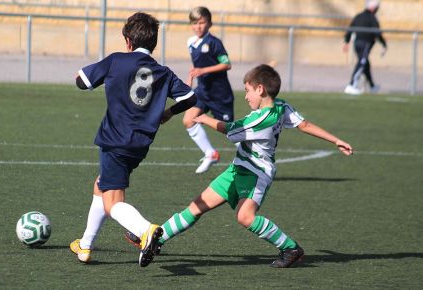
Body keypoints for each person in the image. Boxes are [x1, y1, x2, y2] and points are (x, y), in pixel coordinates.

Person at [125, 64, 354, 267]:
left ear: (260, 89)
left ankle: (291, 248)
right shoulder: (281, 106)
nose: (245, 97)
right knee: (197, 205)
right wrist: (336, 140)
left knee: (245, 217)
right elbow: (304, 125)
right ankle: (156, 240)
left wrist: (204, 119)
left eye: (247, 91)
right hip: (238, 169)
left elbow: (230, 129)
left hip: (256, 174)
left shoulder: (261, 119)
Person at [69, 12, 196, 267]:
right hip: (139, 145)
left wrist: (88, 74)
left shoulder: (117, 60)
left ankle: (146, 231)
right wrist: (168, 113)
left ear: (127, 40)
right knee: (101, 185)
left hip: (114, 140)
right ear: (154, 43)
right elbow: (191, 97)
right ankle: (85, 245)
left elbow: (81, 81)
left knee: (112, 202)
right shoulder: (164, 72)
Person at [183, 6, 235, 173]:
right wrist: (191, 76)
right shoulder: (191, 42)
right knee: (188, 120)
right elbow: (197, 65)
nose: (198, 26)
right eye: (194, 23)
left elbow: (227, 64)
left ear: (209, 23)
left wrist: (203, 70)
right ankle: (210, 153)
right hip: (202, 91)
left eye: (202, 22)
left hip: (220, 94)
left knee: (230, 132)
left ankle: (254, 155)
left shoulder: (214, 43)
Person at [343, 0, 387, 95]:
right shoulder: (372, 18)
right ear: (374, 8)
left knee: (365, 64)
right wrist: (384, 44)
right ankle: (351, 85)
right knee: (362, 62)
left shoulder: (358, 16)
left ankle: (372, 86)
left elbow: (350, 29)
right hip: (365, 44)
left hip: (357, 44)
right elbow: (377, 32)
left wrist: (346, 41)